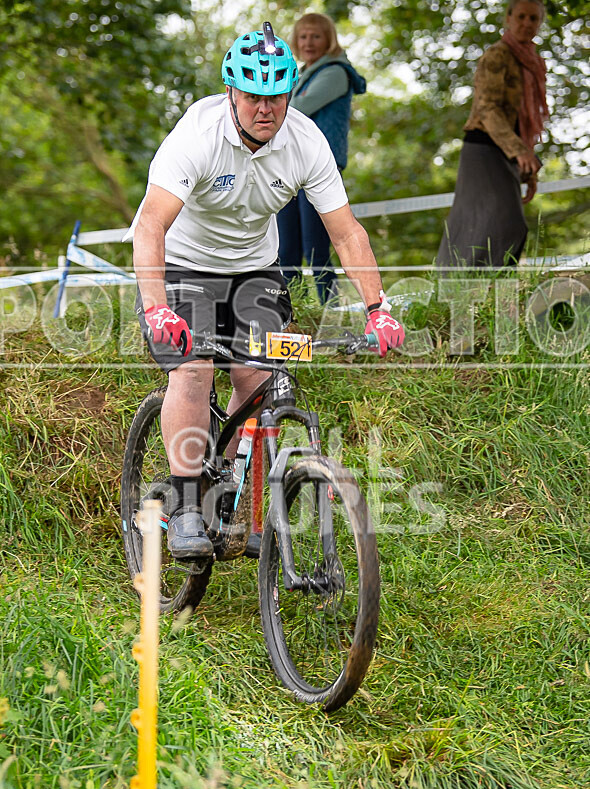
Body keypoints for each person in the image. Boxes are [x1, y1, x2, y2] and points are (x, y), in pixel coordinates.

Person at [127, 24, 404, 559]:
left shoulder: (304, 141)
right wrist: (159, 308)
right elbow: (150, 227)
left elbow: (346, 232)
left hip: (255, 269)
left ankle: (231, 488)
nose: (265, 108)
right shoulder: (198, 134)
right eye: (253, 95)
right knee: (194, 366)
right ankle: (185, 505)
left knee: (259, 377)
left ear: (288, 94)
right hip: (182, 264)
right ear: (231, 92)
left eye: (276, 95)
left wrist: (379, 309)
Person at [436, 0, 548, 270]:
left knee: (495, 225)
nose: (527, 23)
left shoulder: (532, 63)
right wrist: (519, 151)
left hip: (506, 150)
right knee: (501, 224)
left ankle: (486, 296)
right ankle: (460, 291)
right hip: (483, 147)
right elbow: (487, 108)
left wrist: (527, 166)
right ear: (508, 18)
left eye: (533, 18)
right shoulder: (497, 55)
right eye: (521, 16)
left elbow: (522, 121)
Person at [276, 13, 366, 304]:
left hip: (318, 169)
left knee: (316, 247)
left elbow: (298, 107)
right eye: (302, 36)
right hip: (290, 167)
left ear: (329, 39)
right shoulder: (303, 74)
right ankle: (290, 311)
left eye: (315, 36)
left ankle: (329, 310)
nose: (308, 42)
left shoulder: (335, 72)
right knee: (286, 246)